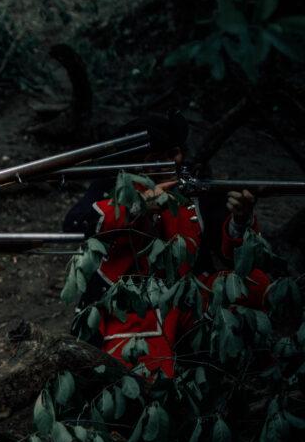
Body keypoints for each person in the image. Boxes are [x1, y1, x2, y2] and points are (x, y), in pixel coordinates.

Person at [62, 113, 265, 377]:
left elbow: (231, 252)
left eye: (170, 155)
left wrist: (241, 219)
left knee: (257, 286)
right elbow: (75, 224)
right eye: (152, 159)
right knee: (141, 374)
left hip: (191, 294)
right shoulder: (114, 183)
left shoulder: (194, 185)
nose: (162, 165)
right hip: (131, 302)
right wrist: (136, 207)